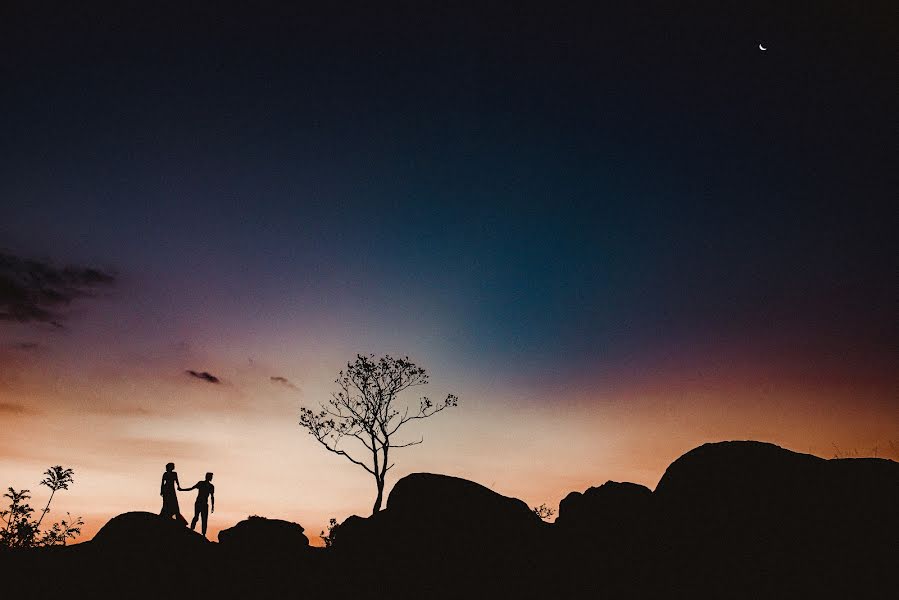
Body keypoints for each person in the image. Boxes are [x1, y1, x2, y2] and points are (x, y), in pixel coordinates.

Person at [181, 472, 215, 537]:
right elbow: (191, 488)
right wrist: (182, 489)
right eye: (210, 476)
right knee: (196, 517)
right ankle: (191, 529)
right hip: (199, 503)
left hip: (205, 504)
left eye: (211, 477)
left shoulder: (211, 486)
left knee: (204, 519)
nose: (211, 478)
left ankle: (204, 534)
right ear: (207, 477)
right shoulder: (201, 483)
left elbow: (212, 496)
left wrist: (213, 506)